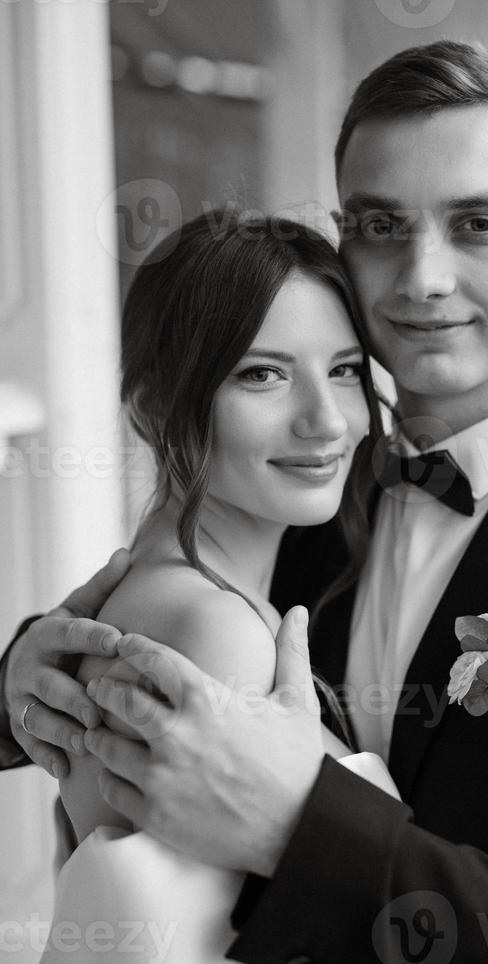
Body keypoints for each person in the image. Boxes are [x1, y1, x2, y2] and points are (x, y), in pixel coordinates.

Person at [3, 40, 488, 963]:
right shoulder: (305, 479)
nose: (423, 277)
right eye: (381, 225)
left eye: (477, 224)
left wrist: (298, 827)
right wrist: (24, 681)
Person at [12, 209, 392, 961]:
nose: (328, 421)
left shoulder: (176, 596)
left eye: (345, 370)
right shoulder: (213, 630)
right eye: (263, 374)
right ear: (156, 408)